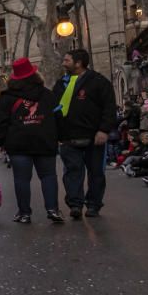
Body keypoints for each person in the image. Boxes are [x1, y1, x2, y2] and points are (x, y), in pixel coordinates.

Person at [0, 58, 63, 224]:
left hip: (18, 143)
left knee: (21, 179)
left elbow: (1, 122)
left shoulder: (7, 97)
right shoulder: (47, 94)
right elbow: (58, 117)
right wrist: (60, 137)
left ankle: (24, 213)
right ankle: (53, 209)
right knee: (48, 176)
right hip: (45, 141)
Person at [52, 49, 117, 219]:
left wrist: (103, 130)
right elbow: (54, 109)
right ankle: (75, 204)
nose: (63, 63)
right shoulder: (61, 84)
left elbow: (109, 108)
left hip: (94, 137)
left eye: (66, 60)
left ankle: (94, 205)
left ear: (78, 63)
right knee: (72, 172)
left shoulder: (99, 82)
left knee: (96, 173)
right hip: (68, 138)